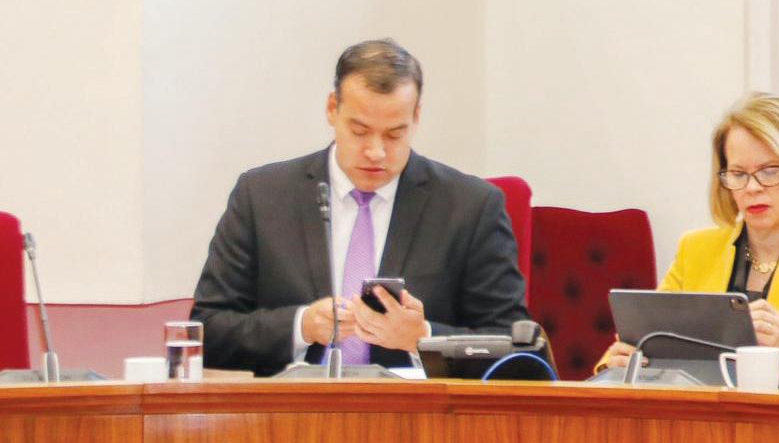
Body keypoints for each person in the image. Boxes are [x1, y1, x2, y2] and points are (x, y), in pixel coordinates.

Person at [191, 39, 530, 375]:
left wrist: (423, 338)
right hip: (291, 406)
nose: (376, 152)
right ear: (332, 109)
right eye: (359, 131)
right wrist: (300, 326)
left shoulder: (470, 207)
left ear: (416, 117)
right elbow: (207, 331)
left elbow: (514, 349)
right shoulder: (262, 196)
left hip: (415, 408)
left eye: (394, 134)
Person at [598, 93, 779, 393]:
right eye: (738, 174)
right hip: (702, 416)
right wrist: (622, 362)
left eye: (769, 171)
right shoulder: (696, 250)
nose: (752, 187)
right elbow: (647, 342)